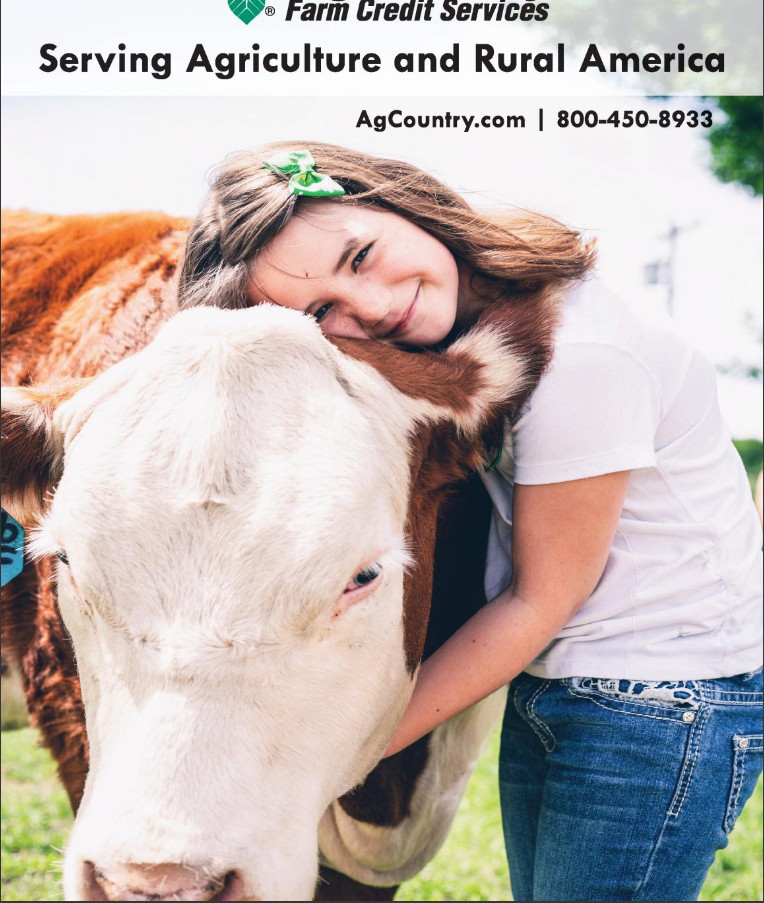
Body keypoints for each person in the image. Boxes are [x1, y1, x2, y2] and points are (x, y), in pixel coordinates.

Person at [178, 142, 763, 902]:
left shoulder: (582, 356)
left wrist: (327, 753)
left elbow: (542, 597)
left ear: (400, 200)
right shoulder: (474, 333)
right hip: (567, 680)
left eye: (362, 256)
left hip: (661, 701)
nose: (377, 306)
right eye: (322, 313)